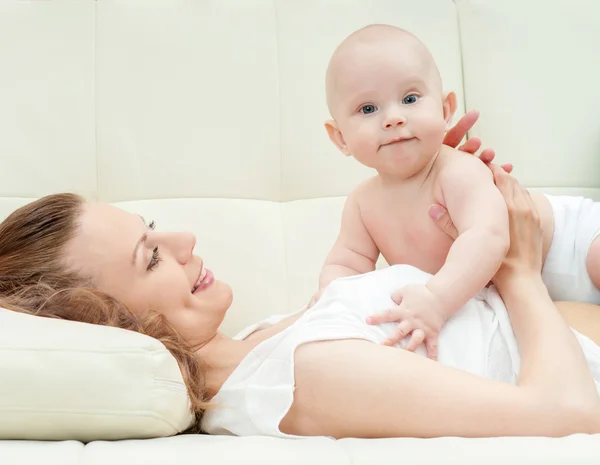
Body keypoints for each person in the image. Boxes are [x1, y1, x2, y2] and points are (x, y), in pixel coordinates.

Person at [0, 115, 599, 439]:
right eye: (151, 257)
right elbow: (566, 416)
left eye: (154, 227)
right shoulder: (302, 378)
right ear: (105, 320)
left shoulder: (271, 340)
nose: (185, 242)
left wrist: (435, 188)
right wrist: (516, 268)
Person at [311, 23, 600, 360]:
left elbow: (487, 237)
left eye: (410, 98)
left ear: (446, 110)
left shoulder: (456, 170)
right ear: (340, 138)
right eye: (368, 109)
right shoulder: (361, 203)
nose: (393, 118)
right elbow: (347, 262)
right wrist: (330, 298)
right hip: (528, 292)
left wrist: (437, 298)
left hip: (574, 244)